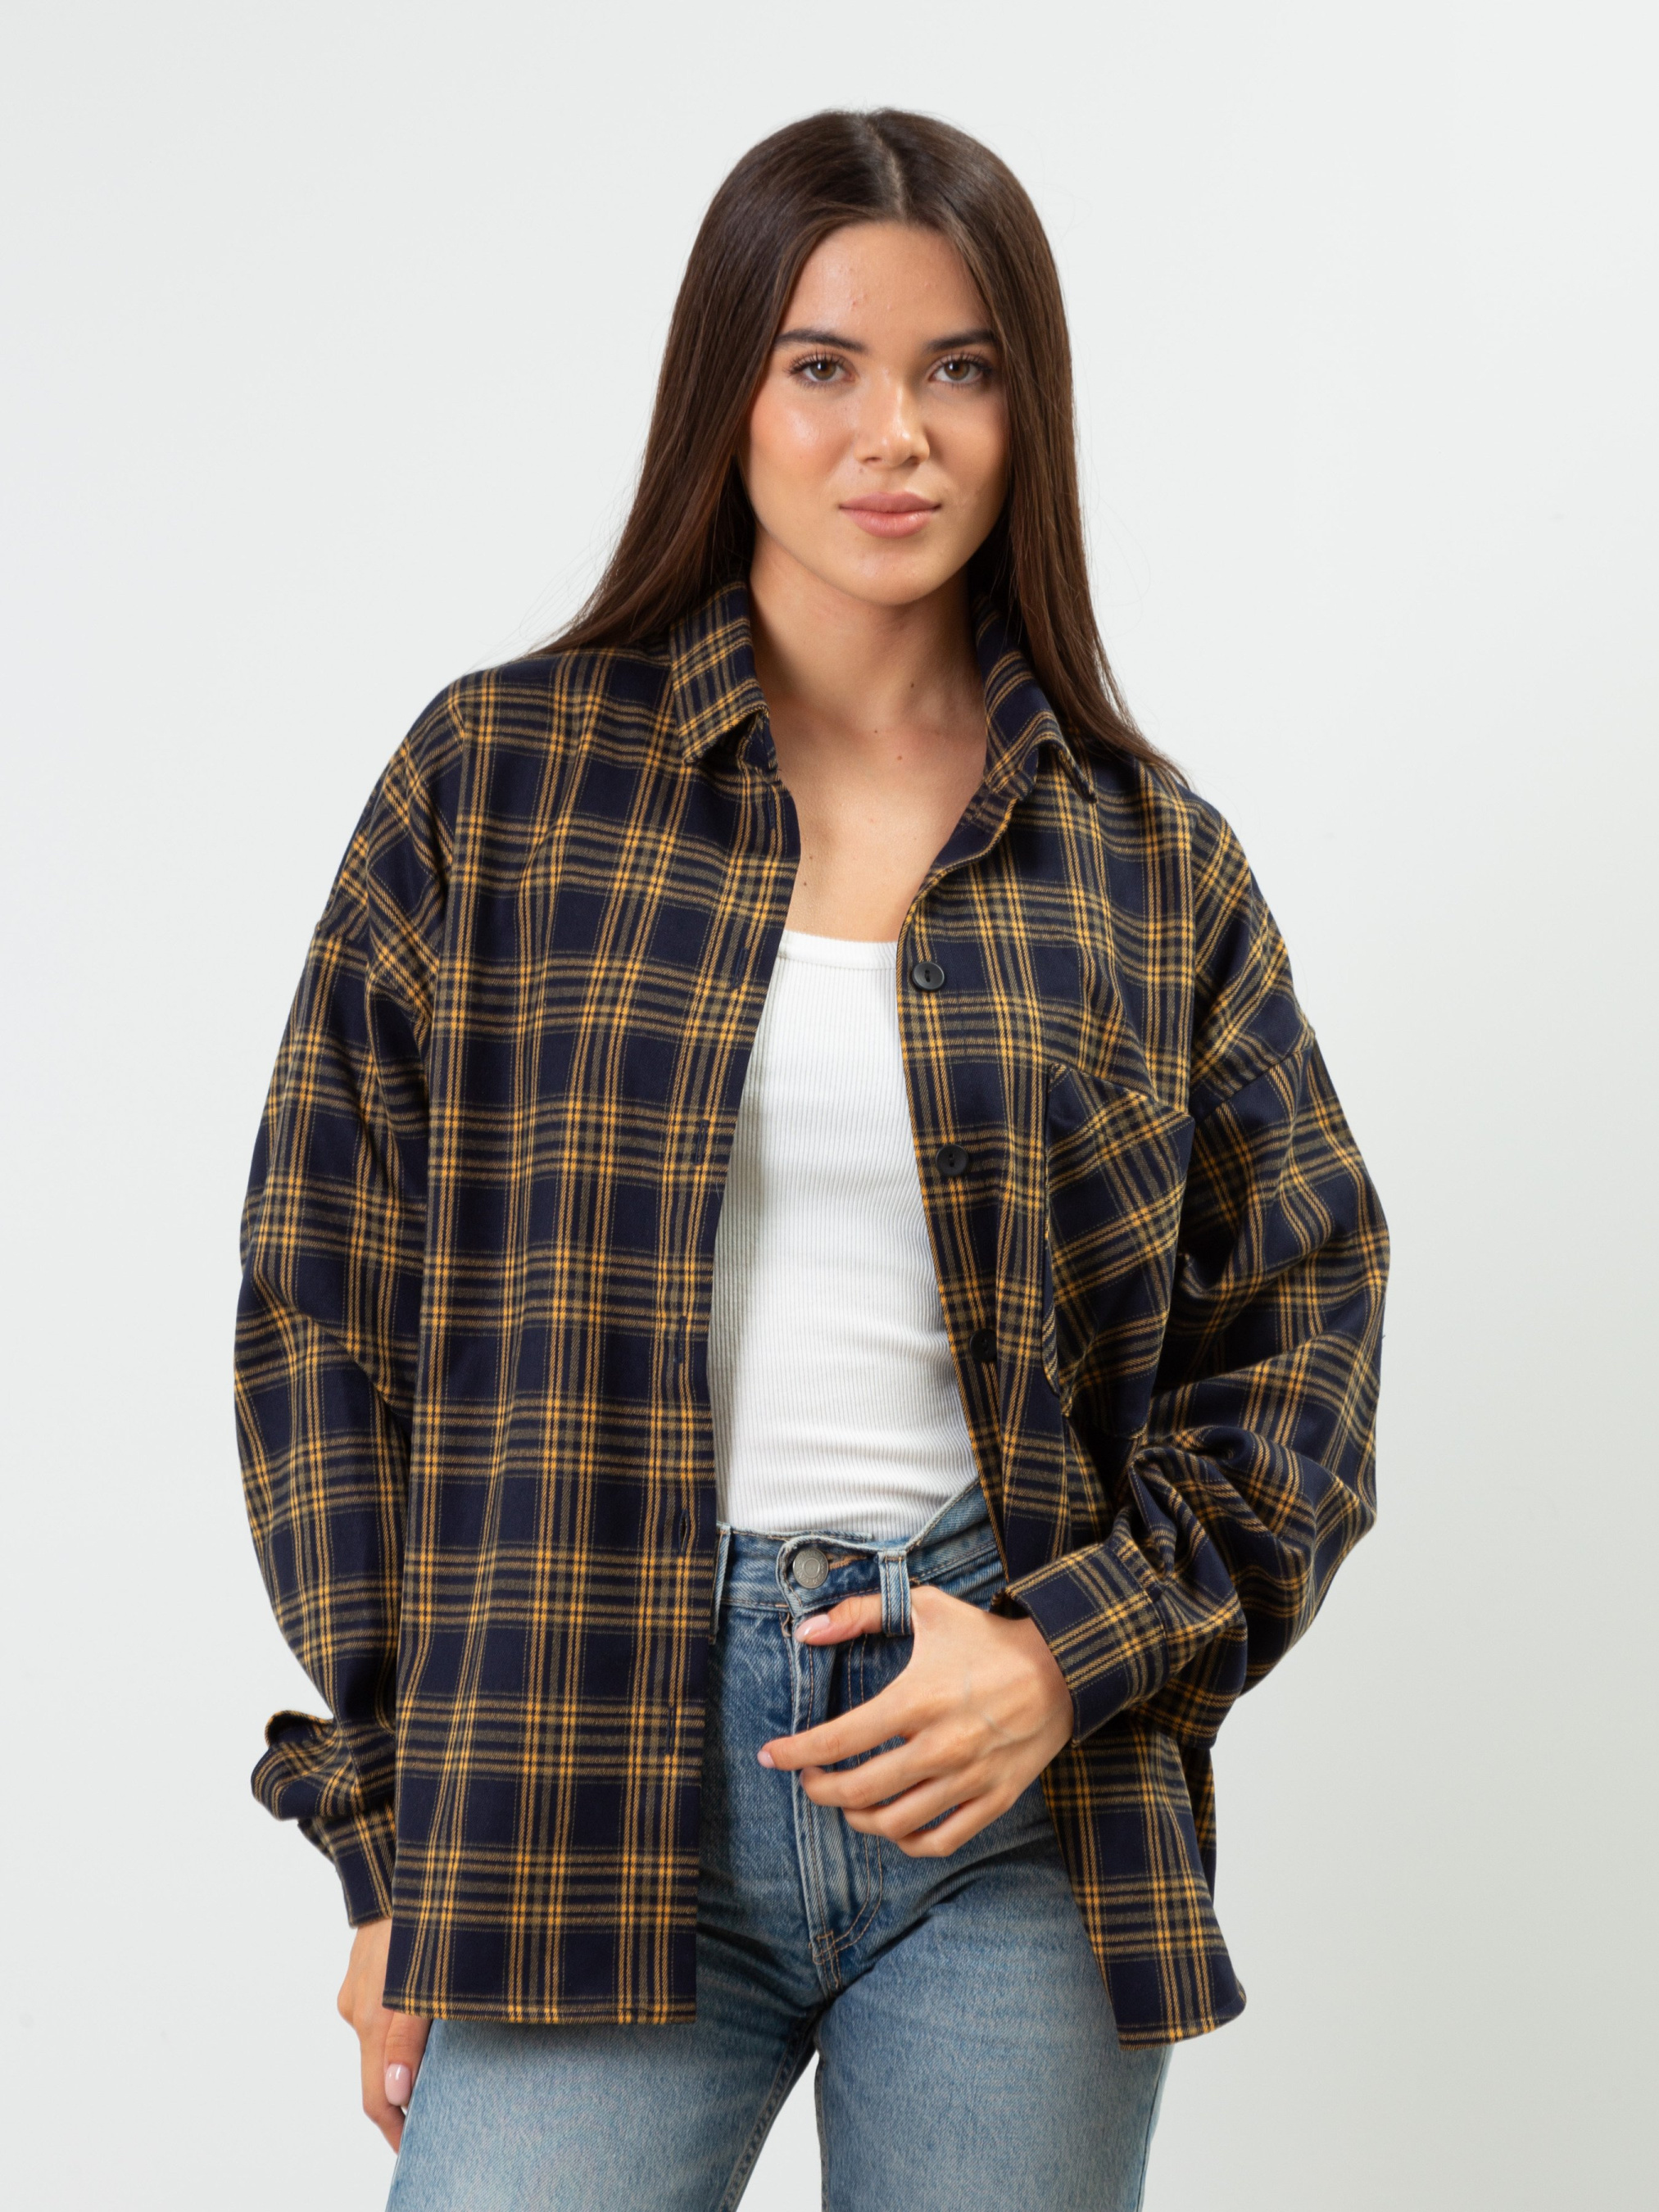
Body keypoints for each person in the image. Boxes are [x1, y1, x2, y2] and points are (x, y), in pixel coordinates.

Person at [235, 107, 1388, 2211]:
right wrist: (392, 1838)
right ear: (727, 397)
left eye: (960, 369)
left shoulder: (1145, 859)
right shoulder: (501, 783)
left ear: (1025, 413)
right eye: (823, 366)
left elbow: (1302, 1324)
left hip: (1005, 1794)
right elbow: (324, 1306)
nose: (896, 436)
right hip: (581, 1764)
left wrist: (1064, 1651)